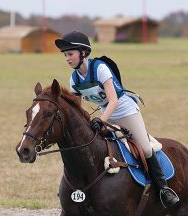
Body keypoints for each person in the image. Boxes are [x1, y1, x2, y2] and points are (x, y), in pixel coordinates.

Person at [54, 31, 179, 207]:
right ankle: (76, 186)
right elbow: (77, 109)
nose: (67, 58)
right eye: (65, 55)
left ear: (83, 52)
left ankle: (163, 189)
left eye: (70, 54)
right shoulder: (74, 79)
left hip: (125, 110)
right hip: (106, 114)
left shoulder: (100, 68)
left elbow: (113, 100)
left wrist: (101, 120)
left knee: (144, 148)